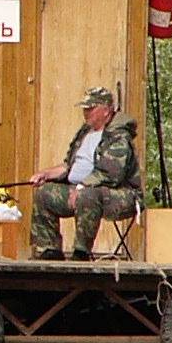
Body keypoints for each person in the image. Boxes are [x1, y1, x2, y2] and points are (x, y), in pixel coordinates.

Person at [29, 86, 140, 258]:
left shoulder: (118, 137)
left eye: (91, 108)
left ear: (106, 111)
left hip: (120, 194)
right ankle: (50, 250)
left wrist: (81, 187)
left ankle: (81, 252)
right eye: (85, 109)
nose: (86, 113)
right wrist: (46, 173)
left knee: (88, 196)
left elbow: (110, 174)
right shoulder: (85, 133)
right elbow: (69, 165)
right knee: (44, 193)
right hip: (81, 189)